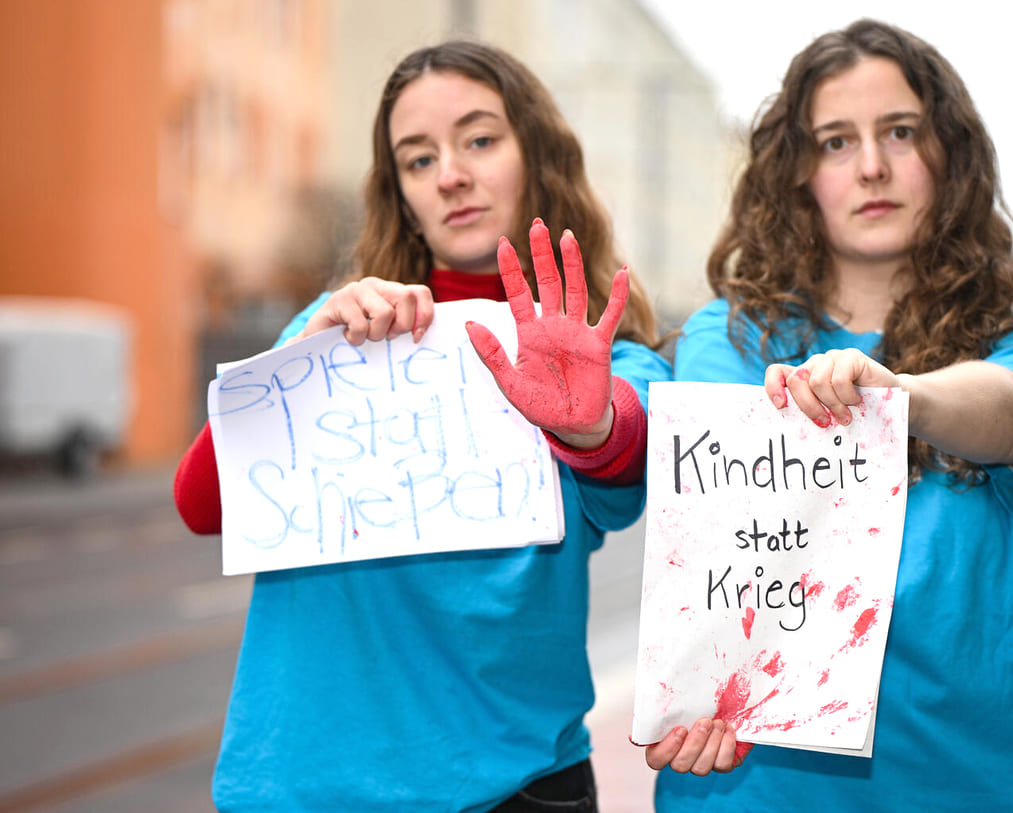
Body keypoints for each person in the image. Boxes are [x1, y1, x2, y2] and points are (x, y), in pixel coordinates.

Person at [172, 40, 671, 811]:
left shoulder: (608, 351)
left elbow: (631, 463)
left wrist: (590, 421)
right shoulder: (332, 331)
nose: (450, 175)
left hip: (515, 787)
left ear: (536, 156)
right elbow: (202, 506)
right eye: (417, 159)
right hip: (306, 790)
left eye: (479, 139)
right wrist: (304, 364)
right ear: (402, 193)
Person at [643, 18, 1013, 810]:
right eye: (836, 142)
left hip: (985, 784)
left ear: (948, 155)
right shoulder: (730, 336)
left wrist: (898, 395)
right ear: (797, 174)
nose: (874, 166)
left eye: (901, 132)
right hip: (765, 790)